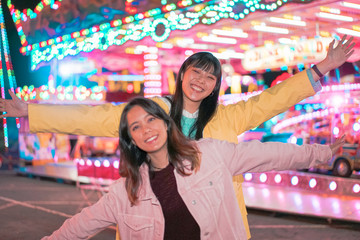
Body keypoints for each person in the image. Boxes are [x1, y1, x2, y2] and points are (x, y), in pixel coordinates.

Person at [0, 35, 355, 239]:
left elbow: (272, 102)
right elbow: (98, 116)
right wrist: (31, 112)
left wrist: (322, 67)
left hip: (217, 224)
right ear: (182, 73)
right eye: (195, 71)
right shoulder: (154, 111)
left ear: (216, 85)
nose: (201, 80)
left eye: (210, 77)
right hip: (154, 214)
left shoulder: (228, 118)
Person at [42, 97, 344, 240]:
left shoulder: (210, 154)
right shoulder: (126, 192)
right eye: (136, 126)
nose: (146, 129)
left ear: (165, 122)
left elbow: (269, 154)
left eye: (151, 119)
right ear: (131, 138)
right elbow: (81, 225)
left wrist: (319, 153)